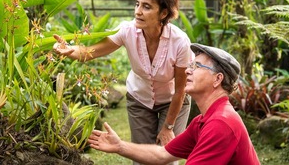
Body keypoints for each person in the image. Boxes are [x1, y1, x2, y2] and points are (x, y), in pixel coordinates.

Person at [53, 0, 192, 164]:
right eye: (137, 4)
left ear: (163, 13)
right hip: (140, 98)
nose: (138, 12)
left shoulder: (180, 42)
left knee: (166, 156)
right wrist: (71, 50)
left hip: (174, 100)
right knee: (140, 157)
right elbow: (89, 52)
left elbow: (181, 90)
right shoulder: (126, 30)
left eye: (147, 7)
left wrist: (168, 126)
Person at [88, 43, 261, 165]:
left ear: (217, 79)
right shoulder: (203, 121)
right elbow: (162, 154)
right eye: (190, 65)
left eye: (197, 66)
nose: (187, 70)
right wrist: (120, 146)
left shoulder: (221, 124)